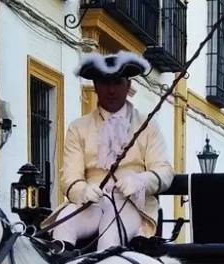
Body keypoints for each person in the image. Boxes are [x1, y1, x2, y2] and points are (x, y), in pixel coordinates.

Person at [51, 52, 173, 251]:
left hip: (132, 205)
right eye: (104, 82)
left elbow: (164, 171)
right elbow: (69, 177)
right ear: (96, 86)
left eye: (117, 82)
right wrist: (81, 189)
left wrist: (141, 181)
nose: (111, 90)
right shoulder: (78, 127)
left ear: (128, 86)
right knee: (64, 222)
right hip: (92, 203)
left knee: (110, 235)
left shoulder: (147, 126)